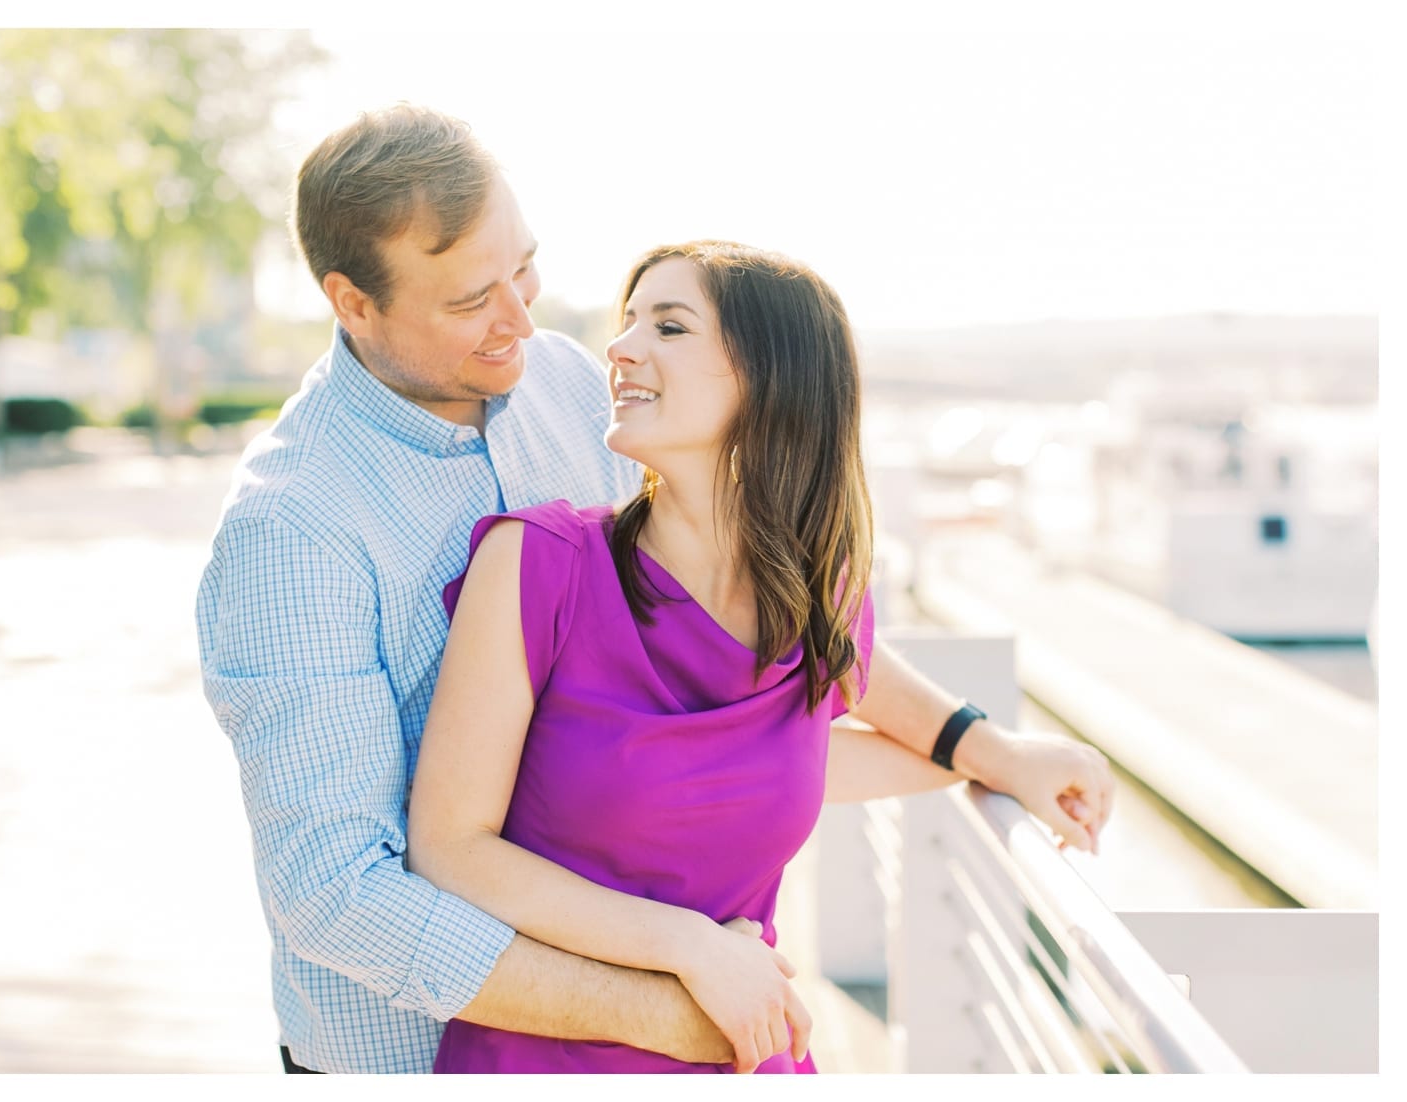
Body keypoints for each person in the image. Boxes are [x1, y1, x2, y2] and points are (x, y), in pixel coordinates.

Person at [197, 104, 1114, 1075]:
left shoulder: (558, 384)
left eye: (525, 268)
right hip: (415, 1054)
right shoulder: (293, 529)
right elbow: (334, 893)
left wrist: (983, 747)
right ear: (353, 303)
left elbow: (748, 640)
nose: (521, 318)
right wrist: (660, 1009)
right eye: (472, 298)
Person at [405, 241, 1113, 1074]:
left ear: (767, 378)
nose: (622, 348)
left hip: (748, 1056)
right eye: (628, 322)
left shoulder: (819, 595)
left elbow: (803, 743)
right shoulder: (538, 563)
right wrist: (693, 948)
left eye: (668, 326)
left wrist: (999, 757)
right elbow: (450, 848)